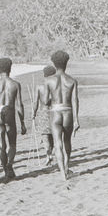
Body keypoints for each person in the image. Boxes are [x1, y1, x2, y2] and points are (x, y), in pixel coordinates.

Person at [43, 50, 80, 181]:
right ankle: (66, 166)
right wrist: (76, 120)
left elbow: (45, 100)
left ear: (54, 63)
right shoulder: (72, 81)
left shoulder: (48, 80)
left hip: (55, 113)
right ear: (66, 63)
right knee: (67, 141)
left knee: (57, 143)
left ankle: (62, 173)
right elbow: (75, 101)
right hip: (68, 112)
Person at [0, 57, 26, 179]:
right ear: (10, 68)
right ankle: (10, 164)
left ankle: (5, 170)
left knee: (2, 146)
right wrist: (22, 122)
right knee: (12, 143)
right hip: (10, 112)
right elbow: (19, 105)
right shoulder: (15, 84)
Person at [32, 65, 56, 166]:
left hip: (43, 112)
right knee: (54, 135)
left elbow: (35, 102)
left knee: (45, 136)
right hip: (55, 112)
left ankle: (48, 155)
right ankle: (51, 153)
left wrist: (33, 113)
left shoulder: (39, 86)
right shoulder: (56, 85)